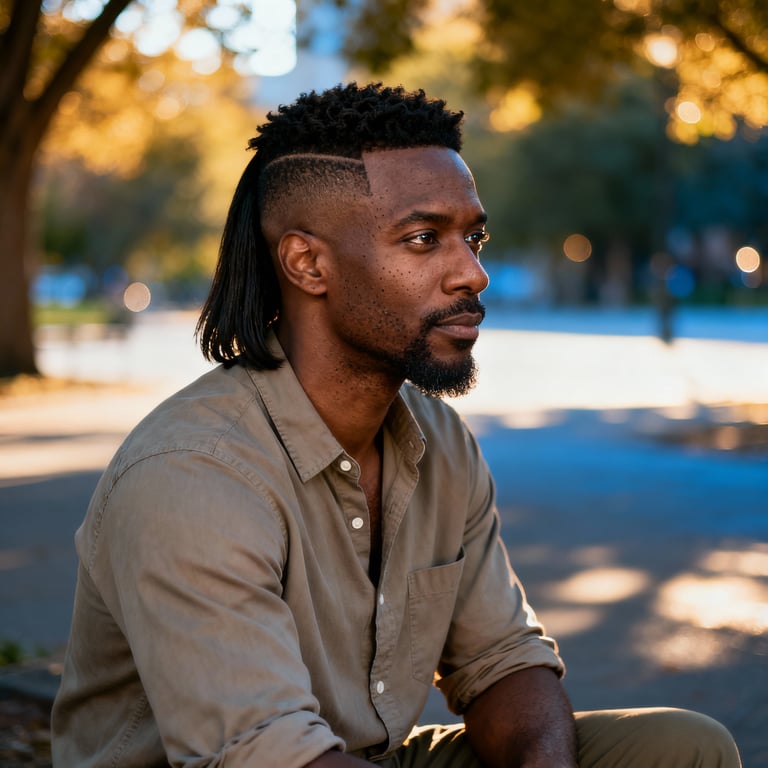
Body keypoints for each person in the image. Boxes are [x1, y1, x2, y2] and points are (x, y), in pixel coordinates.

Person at [51, 82, 741, 768]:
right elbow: (262, 754)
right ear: (307, 263)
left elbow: (502, 661)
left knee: (683, 746)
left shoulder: (437, 443)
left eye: (474, 238)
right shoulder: (192, 474)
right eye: (423, 239)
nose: (473, 274)